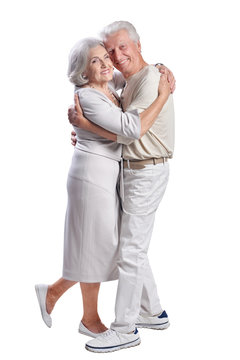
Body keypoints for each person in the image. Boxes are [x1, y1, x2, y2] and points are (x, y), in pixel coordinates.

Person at [35, 36, 172, 339]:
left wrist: (160, 67)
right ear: (83, 72)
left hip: (107, 174)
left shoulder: (108, 86)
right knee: (94, 247)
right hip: (91, 177)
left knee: (101, 246)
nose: (106, 63)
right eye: (94, 61)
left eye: (105, 57)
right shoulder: (88, 96)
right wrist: (162, 95)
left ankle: (61, 297)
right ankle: (83, 313)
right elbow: (130, 129)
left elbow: (137, 69)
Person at [69, 21, 175, 353]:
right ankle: (153, 311)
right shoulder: (126, 80)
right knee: (133, 247)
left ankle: (125, 327)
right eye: (109, 51)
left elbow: (132, 130)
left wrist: (163, 92)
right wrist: (87, 131)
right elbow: (102, 98)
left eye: (121, 47)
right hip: (127, 171)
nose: (115, 56)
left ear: (138, 44)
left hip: (145, 171)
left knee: (130, 251)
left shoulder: (151, 81)